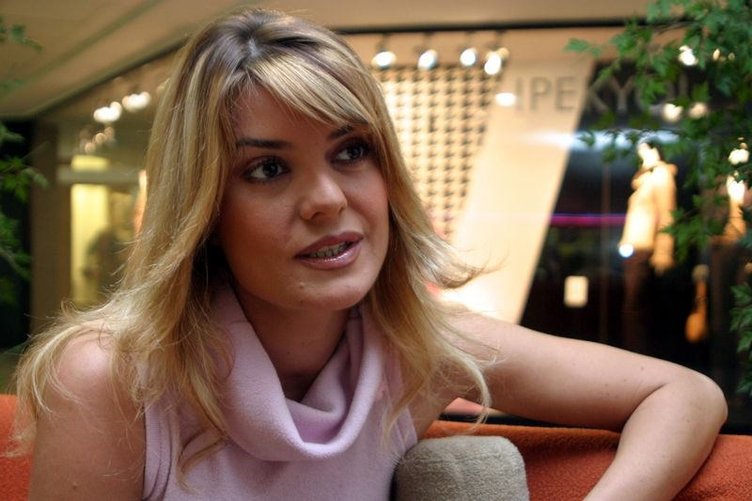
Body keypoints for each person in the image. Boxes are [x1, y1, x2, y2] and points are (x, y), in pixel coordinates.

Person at [12, 8, 726, 500]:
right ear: (203, 208)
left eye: (351, 152)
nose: (327, 199)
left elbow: (683, 394)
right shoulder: (112, 379)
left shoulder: (419, 348)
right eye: (268, 168)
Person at [619, 140, 678, 354]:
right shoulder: (644, 180)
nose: (642, 154)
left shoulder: (661, 176)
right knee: (634, 308)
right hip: (635, 250)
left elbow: (667, 215)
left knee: (638, 308)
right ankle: (635, 353)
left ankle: (640, 355)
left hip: (646, 251)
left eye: (646, 149)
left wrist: (663, 252)